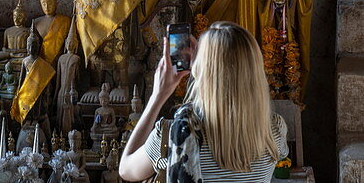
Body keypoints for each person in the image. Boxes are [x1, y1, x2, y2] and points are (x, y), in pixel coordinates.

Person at [120, 22, 287, 183]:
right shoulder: (275, 132)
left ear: (200, 72)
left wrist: (158, 96)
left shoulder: (174, 134)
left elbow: (126, 170)